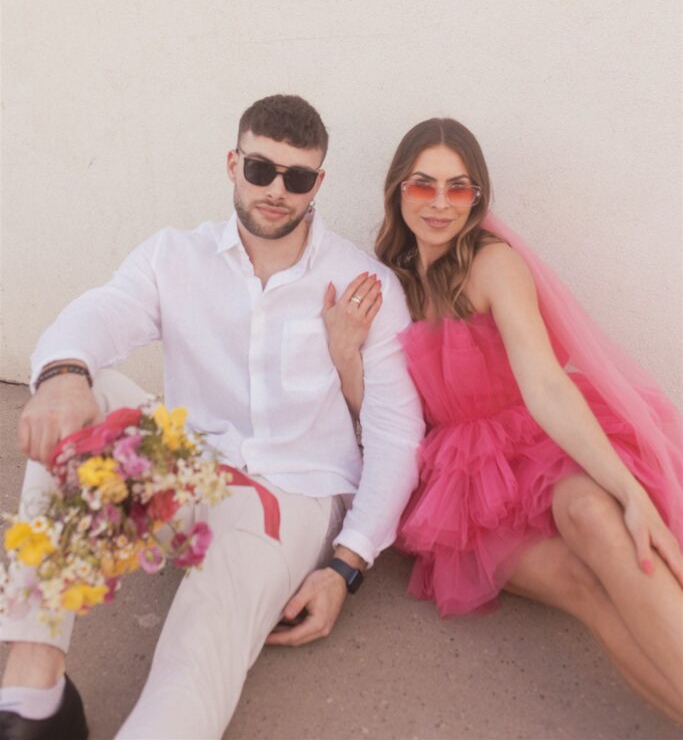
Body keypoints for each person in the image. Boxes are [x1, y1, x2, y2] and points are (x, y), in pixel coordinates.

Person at [0, 95, 425, 740]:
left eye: (298, 177)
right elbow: (104, 311)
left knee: (199, 650)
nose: (277, 191)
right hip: (189, 468)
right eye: (261, 170)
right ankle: (34, 696)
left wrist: (346, 565)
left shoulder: (363, 284)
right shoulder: (175, 256)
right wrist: (61, 377)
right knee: (83, 387)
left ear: (319, 184)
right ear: (233, 163)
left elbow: (397, 432)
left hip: (290, 497)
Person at [324, 116, 683, 722]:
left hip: (536, 439)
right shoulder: (391, 283)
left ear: (477, 197)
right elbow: (384, 419)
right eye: (423, 185)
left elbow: (543, 384)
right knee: (583, 588)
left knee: (596, 515)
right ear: (397, 191)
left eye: (458, 188)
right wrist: (344, 356)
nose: (440, 204)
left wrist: (629, 492)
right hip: (463, 487)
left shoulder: (493, 266)